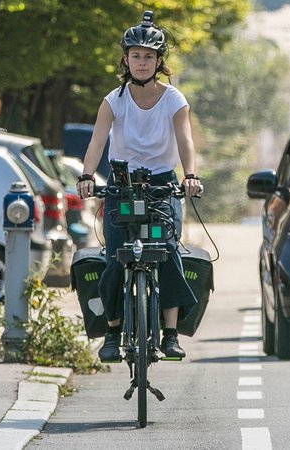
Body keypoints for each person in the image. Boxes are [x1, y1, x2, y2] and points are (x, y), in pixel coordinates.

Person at [77, 11, 203, 362]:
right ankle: (113, 333)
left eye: (149, 56)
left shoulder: (174, 100)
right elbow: (96, 143)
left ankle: (171, 334)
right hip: (121, 187)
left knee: (167, 253)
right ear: (126, 59)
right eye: (136, 55)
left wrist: (189, 175)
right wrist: (87, 178)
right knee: (116, 258)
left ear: (159, 61)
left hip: (162, 186)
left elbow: (185, 141)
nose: (142, 62)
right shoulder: (112, 101)